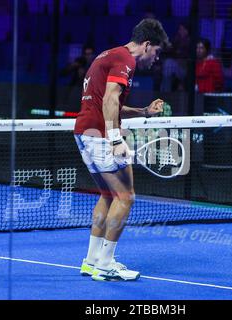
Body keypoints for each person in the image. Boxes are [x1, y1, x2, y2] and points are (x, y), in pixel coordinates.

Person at [73, 19, 170, 281]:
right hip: (101, 136)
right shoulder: (126, 60)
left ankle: (92, 260)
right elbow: (110, 99)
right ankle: (105, 264)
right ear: (147, 45)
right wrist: (115, 139)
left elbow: (108, 101)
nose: (156, 58)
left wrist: (144, 112)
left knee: (108, 195)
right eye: (157, 52)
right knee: (125, 197)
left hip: (85, 133)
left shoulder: (110, 55)